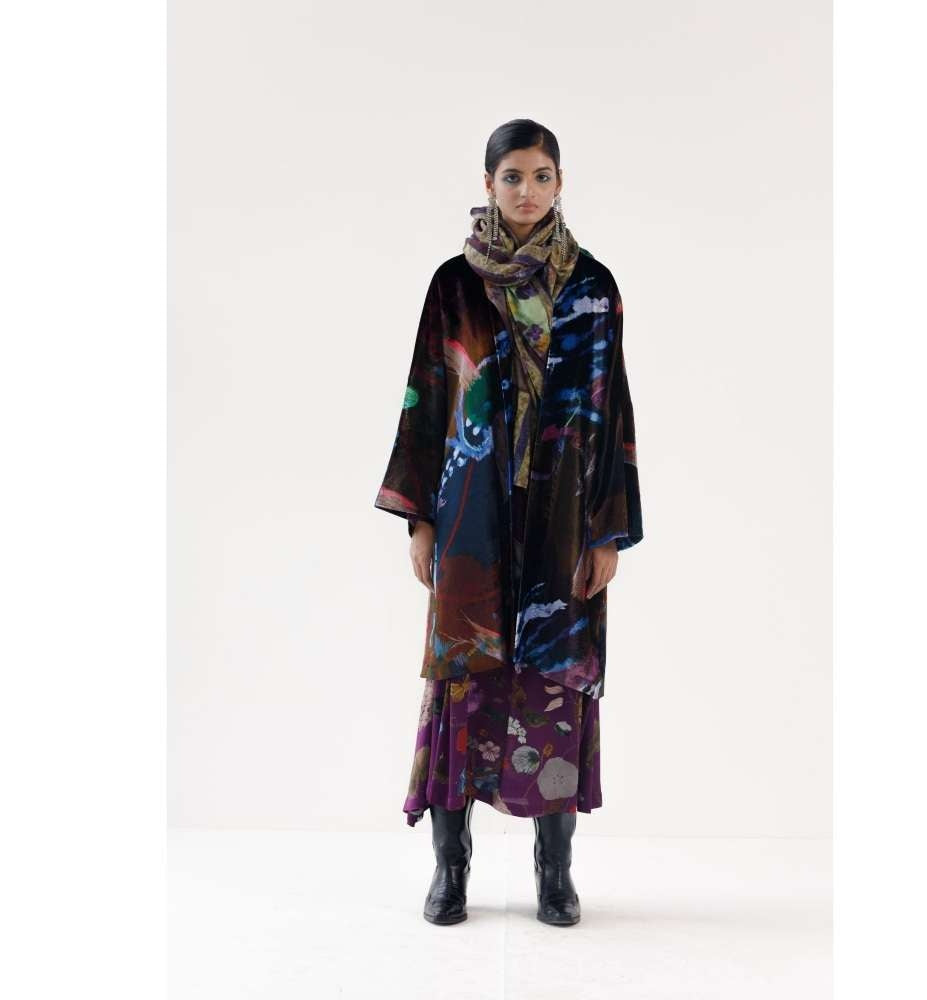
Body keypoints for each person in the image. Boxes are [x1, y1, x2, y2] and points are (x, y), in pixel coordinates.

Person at [374, 119, 643, 926]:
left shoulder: (592, 285)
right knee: (463, 679)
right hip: (472, 516)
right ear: (488, 183)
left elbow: (614, 412)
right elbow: (426, 399)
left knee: (556, 683)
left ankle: (554, 874)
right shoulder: (455, 285)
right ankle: (450, 869)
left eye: (542, 175)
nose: (528, 191)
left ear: (560, 183)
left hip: (564, 517)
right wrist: (419, 521)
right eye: (513, 177)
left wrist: (607, 531)